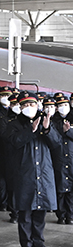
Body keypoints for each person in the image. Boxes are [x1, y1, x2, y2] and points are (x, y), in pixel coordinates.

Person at [3, 92, 60, 247]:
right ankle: (26, 244)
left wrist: (47, 129)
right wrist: (31, 130)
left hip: (43, 171)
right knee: (25, 211)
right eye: (25, 105)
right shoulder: (14, 124)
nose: (29, 108)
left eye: (32, 105)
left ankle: (39, 243)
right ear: (20, 108)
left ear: (38, 106)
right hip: (25, 172)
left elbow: (56, 144)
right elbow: (15, 142)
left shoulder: (46, 122)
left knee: (40, 210)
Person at [51, 93, 73, 224]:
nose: (63, 107)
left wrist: (68, 131)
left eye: (65, 104)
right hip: (58, 158)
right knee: (59, 188)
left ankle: (70, 216)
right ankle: (60, 215)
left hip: (71, 158)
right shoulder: (53, 121)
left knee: (71, 191)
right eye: (60, 105)